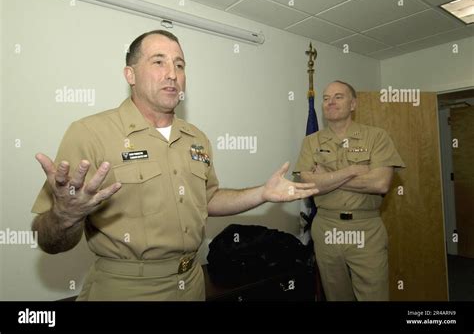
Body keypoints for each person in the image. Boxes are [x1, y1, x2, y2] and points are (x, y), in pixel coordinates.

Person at [31, 30, 318, 301]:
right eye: (159, 62)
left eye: (180, 65)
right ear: (130, 74)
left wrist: (263, 193)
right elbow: (47, 239)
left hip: (192, 281)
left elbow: (207, 199)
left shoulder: (196, 138)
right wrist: (65, 215)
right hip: (127, 288)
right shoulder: (90, 133)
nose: (172, 74)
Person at [294, 81, 405, 301]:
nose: (330, 102)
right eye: (326, 98)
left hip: (366, 228)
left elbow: (380, 183)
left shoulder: (376, 137)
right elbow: (305, 182)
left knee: (374, 295)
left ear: (353, 104)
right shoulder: (310, 141)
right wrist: (352, 171)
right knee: (336, 295)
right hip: (326, 227)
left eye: (338, 97)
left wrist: (326, 176)